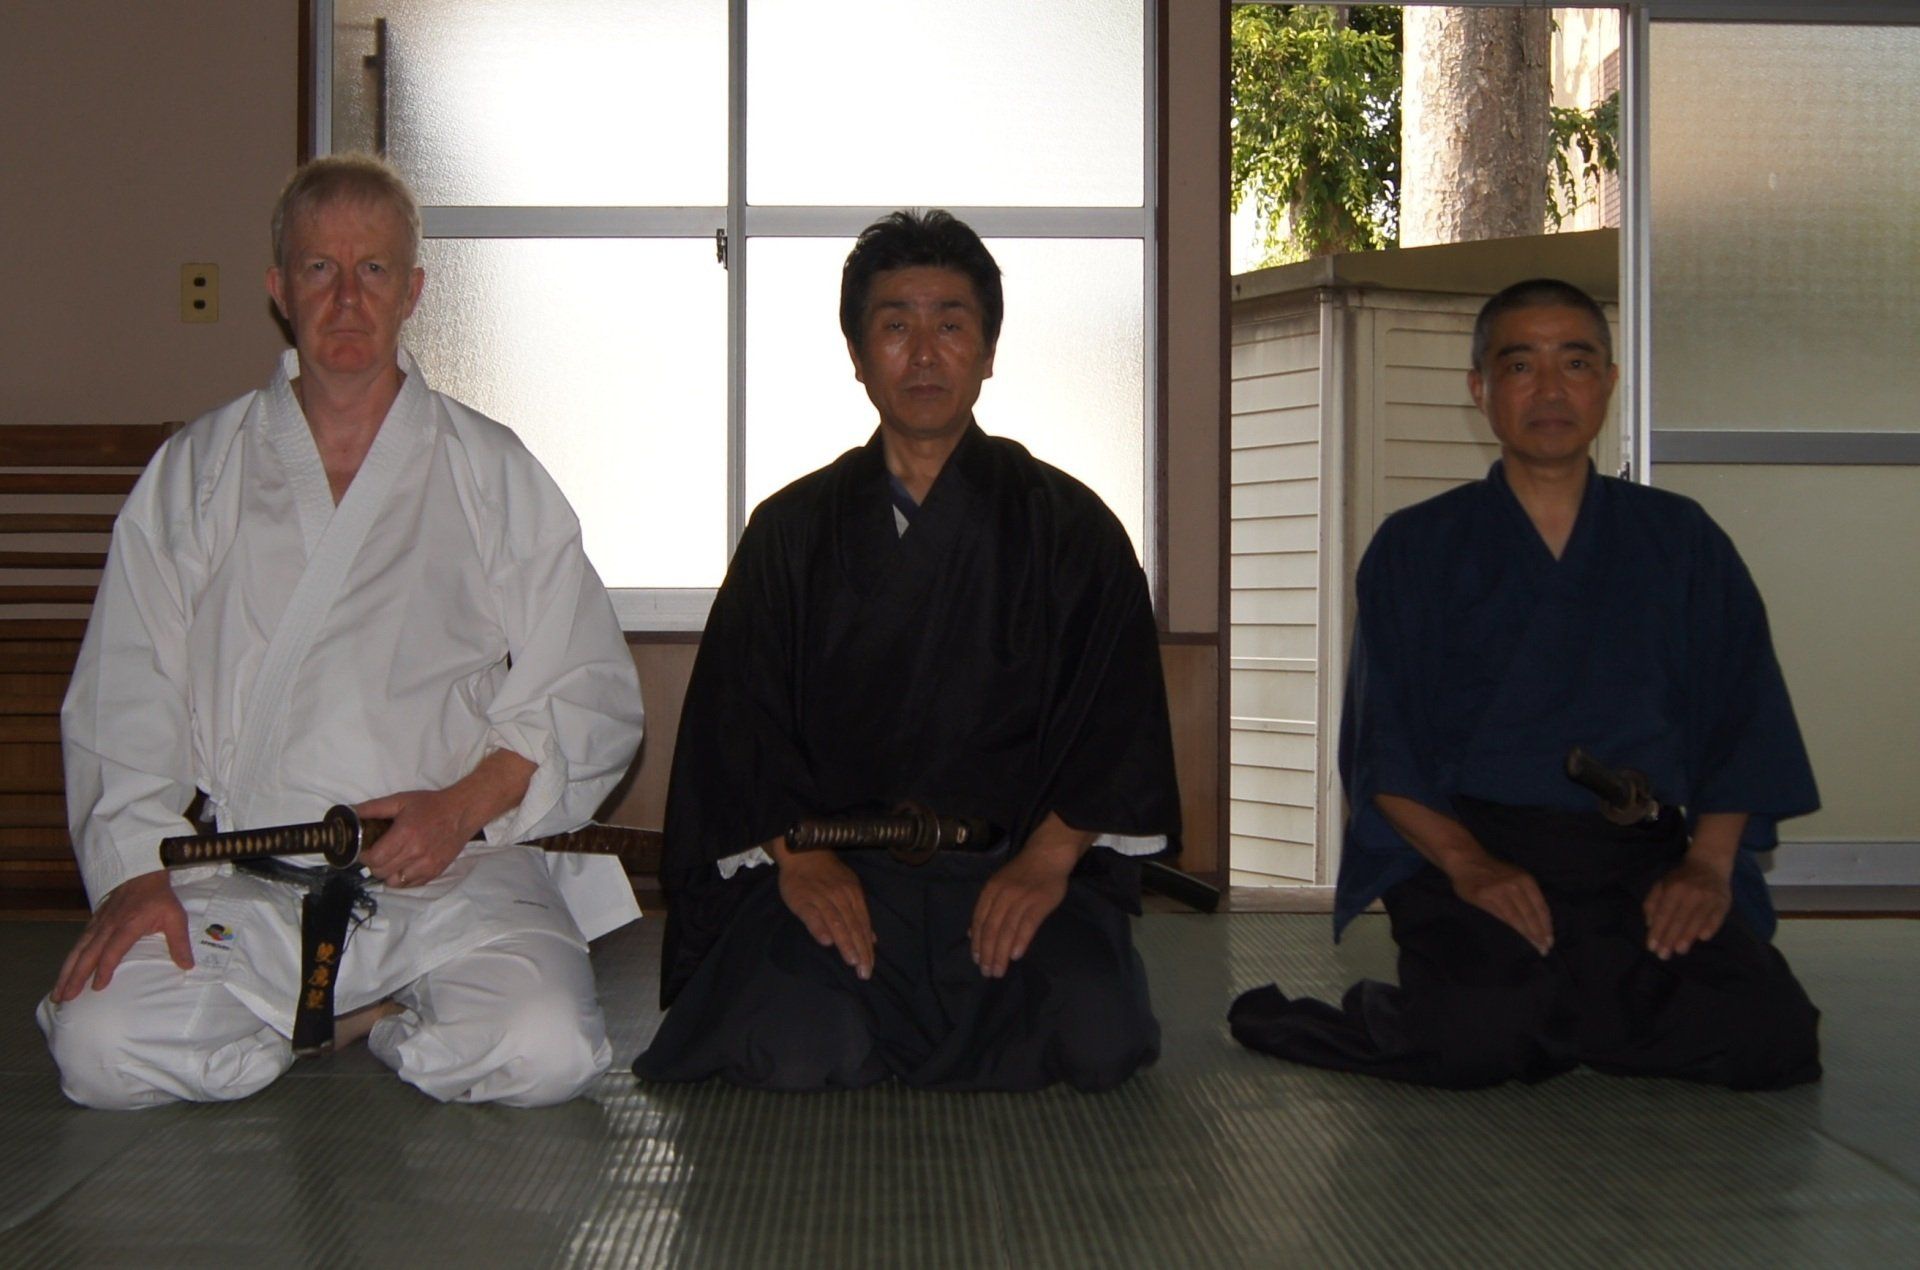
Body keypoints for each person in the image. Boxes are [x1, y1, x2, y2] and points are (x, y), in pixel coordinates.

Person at [38, 155, 645, 1109]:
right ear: (280, 290)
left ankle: (368, 1016)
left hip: (450, 868)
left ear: (413, 289)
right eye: (320, 269)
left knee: (547, 1050)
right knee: (103, 1047)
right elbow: (127, 688)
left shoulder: (489, 468)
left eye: (373, 270)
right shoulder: (198, 470)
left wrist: (461, 805)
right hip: (249, 875)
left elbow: (590, 682)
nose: (348, 298)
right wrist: (136, 872)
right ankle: (326, 1018)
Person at [635, 210, 1181, 1092]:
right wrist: (802, 860)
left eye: (951, 324)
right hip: (845, 872)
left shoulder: (1069, 528)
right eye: (895, 325)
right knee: (795, 1040)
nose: (924, 353)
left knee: (1095, 1036)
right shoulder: (791, 533)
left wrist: (1048, 862)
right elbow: (740, 723)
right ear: (857, 354)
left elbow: (1116, 719)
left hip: (1013, 868)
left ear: (989, 350)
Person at [1229, 278, 1822, 1091]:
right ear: (1480, 389)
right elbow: (1383, 750)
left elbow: (1743, 716)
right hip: (1477, 850)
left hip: (1634, 857)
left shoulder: (1680, 539)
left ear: (1608, 381)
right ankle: (1482, 1007)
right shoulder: (1417, 548)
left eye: (1575, 362)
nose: (1550, 389)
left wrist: (1709, 866)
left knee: (1772, 1040)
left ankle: (1559, 1001)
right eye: (1520, 366)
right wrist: (1470, 865)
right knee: (1479, 1043)